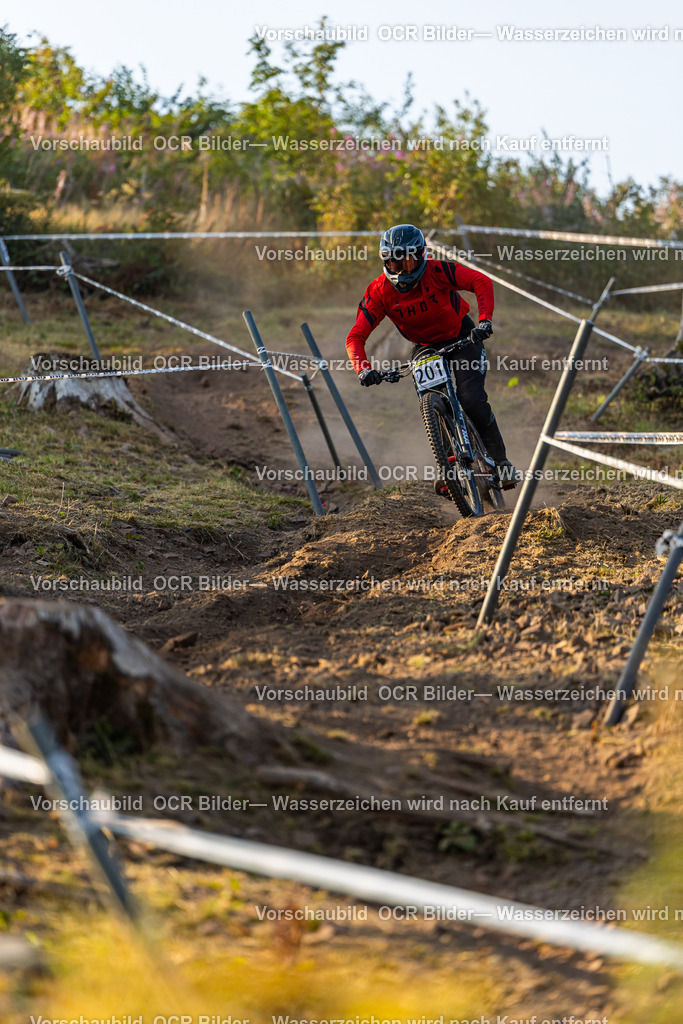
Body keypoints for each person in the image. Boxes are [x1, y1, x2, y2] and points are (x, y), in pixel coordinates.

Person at [345, 223, 519, 493]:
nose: (400, 269)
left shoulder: (438, 271)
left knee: (470, 397)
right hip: (424, 347)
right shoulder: (379, 291)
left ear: (421, 255)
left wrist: (484, 321)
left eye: (406, 261)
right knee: (433, 403)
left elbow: (479, 281)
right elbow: (355, 336)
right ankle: (448, 467)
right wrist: (363, 369)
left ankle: (500, 461)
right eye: (392, 263)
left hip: (462, 337)